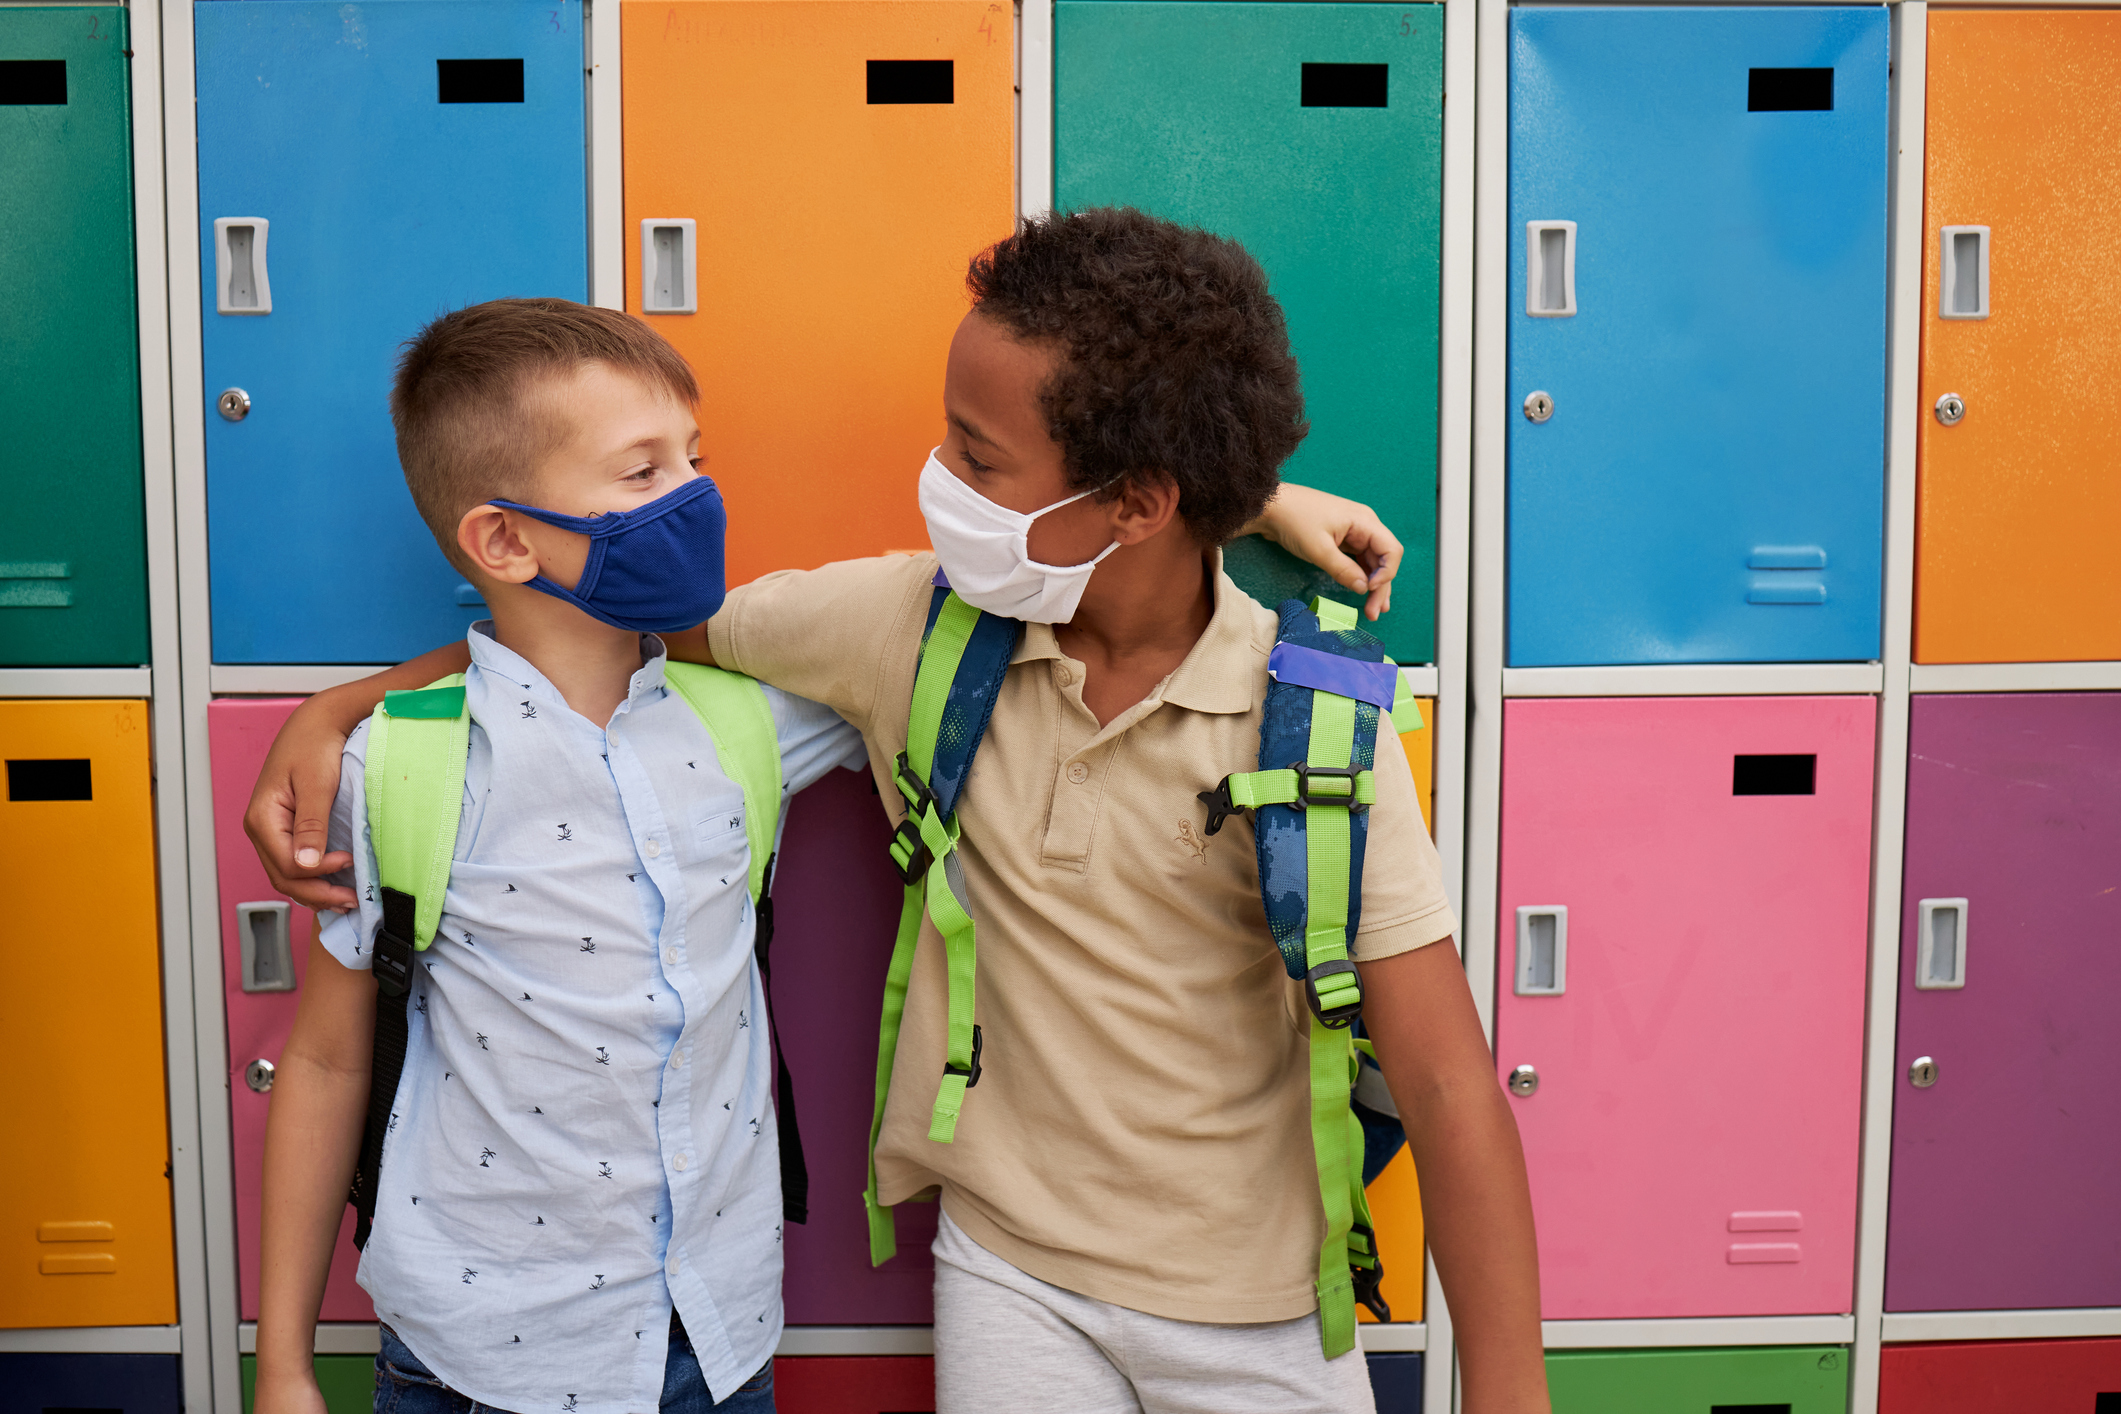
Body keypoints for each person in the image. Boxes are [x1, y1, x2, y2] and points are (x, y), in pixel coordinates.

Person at [250, 211, 1548, 1413]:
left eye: (975, 457)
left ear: (1141, 499)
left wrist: (1505, 1387)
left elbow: (1442, 1073)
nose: (937, 477)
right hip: (1006, 1276)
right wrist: (342, 708)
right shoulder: (908, 630)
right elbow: (600, 624)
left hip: (1265, 1300)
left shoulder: (1313, 724)